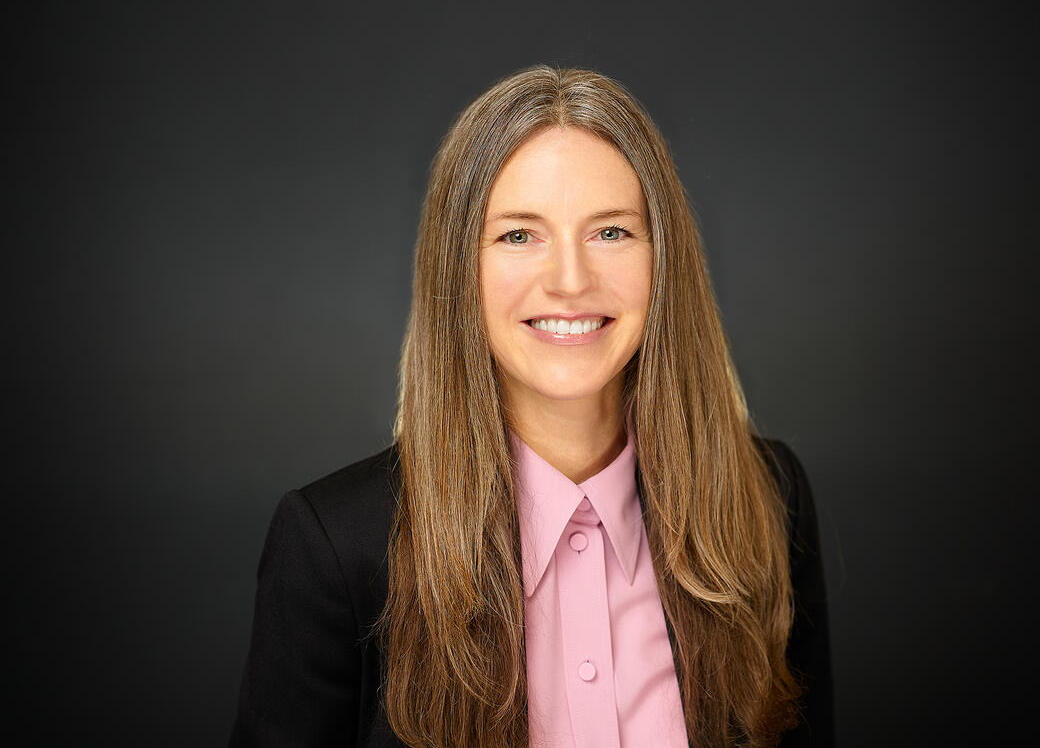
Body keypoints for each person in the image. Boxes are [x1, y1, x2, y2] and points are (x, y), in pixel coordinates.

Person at [228, 64, 833, 748]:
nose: (571, 280)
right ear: (460, 271)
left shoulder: (768, 497)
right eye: (519, 235)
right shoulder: (334, 548)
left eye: (611, 232)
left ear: (665, 260)